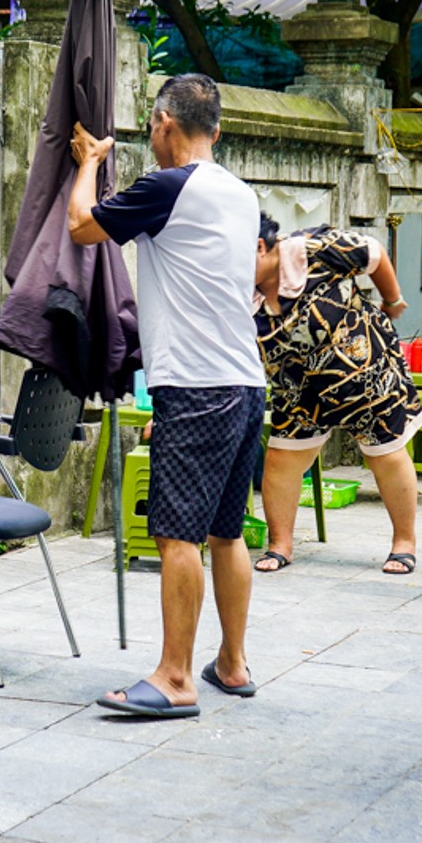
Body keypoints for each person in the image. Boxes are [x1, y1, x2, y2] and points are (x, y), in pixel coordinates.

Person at [68, 73, 265, 717]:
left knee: (177, 533)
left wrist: (91, 165)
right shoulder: (239, 193)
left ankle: (176, 677)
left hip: (196, 385)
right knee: (226, 533)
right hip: (243, 382)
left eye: (151, 127)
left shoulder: (167, 187)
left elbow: (80, 228)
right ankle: (231, 664)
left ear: (163, 123)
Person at [251, 215, 422, 576]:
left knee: (385, 454)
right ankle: (280, 544)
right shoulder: (236, 290)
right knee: (281, 460)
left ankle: (403, 544)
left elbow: (373, 253)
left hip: (363, 370)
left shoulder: (312, 252)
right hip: (298, 384)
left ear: (259, 247)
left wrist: (393, 301)